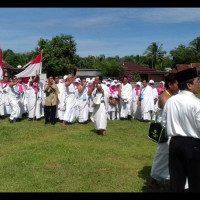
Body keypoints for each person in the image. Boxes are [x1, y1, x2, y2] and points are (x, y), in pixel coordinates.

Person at [162, 67, 200, 192]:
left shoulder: (171, 101)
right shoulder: (196, 103)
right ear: (189, 85)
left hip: (175, 143)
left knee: (177, 181)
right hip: (193, 145)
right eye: (197, 81)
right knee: (195, 181)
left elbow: (163, 123)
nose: (199, 84)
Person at [150, 73, 180, 188]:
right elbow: (173, 113)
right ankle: (153, 178)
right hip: (166, 131)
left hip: (174, 130)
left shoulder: (174, 95)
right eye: (177, 84)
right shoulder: (164, 97)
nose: (179, 86)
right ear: (170, 85)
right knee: (162, 155)